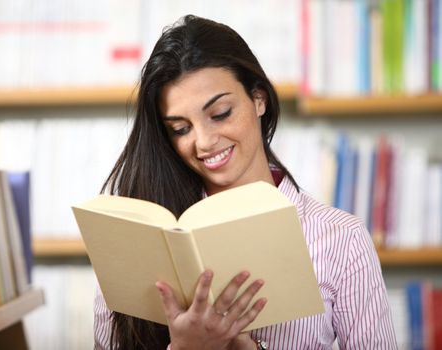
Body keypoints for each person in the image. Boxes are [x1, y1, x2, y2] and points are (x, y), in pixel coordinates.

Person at [95, 15, 397, 350]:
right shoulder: (142, 240)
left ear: (259, 98)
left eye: (221, 113)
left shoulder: (340, 239)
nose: (204, 142)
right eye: (181, 129)